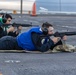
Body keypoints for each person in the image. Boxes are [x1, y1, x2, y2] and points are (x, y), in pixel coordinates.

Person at [0, 22, 68, 52]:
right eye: (51, 31)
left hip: (12, 43)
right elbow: (41, 48)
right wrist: (52, 41)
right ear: (45, 30)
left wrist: (59, 39)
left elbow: (50, 46)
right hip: (8, 43)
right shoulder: (35, 34)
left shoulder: (43, 34)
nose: (52, 33)